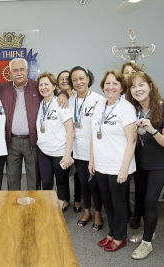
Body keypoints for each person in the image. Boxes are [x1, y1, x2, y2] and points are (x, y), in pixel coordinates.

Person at [0, 58, 68, 190]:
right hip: (12, 141)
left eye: (22, 69)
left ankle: (33, 205)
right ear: (10, 73)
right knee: (12, 178)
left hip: (32, 141)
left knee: (34, 176)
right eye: (15, 70)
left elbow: (53, 90)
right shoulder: (3, 89)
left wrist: (63, 94)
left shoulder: (37, 86)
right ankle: (13, 206)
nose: (19, 73)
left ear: (27, 71)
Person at [125, 72, 164, 260]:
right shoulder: (134, 109)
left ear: (150, 86)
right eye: (133, 86)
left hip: (159, 164)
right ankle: (149, 231)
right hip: (140, 163)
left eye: (141, 85)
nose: (137, 89)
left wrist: (152, 130)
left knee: (150, 201)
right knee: (141, 199)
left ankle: (147, 243)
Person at [89, 70, 137, 252]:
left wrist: (124, 168)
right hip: (101, 164)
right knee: (107, 201)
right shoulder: (100, 105)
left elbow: (132, 140)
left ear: (122, 88)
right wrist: (91, 160)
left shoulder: (126, 108)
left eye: (115, 83)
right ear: (103, 86)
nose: (111, 87)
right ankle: (112, 232)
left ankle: (120, 237)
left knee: (118, 202)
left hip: (119, 165)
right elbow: (94, 134)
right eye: (108, 83)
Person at [68, 66, 105, 230]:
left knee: (94, 184)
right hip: (78, 150)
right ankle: (87, 211)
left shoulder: (99, 100)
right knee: (83, 183)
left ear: (88, 79)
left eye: (81, 78)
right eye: (74, 79)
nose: (78, 82)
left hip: (94, 151)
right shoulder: (70, 100)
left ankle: (98, 214)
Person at [36, 72, 74, 209]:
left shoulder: (60, 103)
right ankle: (48, 204)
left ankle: (63, 202)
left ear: (53, 86)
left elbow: (70, 129)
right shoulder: (40, 104)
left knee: (61, 182)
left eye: (47, 84)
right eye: (41, 85)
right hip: (44, 151)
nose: (43, 87)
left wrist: (67, 153)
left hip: (60, 151)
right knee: (46, 182)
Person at [121, 61, 143, 223]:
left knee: (140, 183)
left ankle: (137, 214)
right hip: (124, 144)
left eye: (132, 71)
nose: (129, 74)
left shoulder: (141, 94)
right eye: (126, 72)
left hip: (142, 144)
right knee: (125, 180)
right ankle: (125, 209)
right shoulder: (118, 95)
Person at [57, 69, 82, 213]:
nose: (64, 80)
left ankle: (77, 199)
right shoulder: (58, 98)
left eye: (67, 78)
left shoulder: (76, 97)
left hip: (79, 141)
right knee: (63, 173)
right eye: (61, 78)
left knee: (78, 174)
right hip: (64, 142)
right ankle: (65, 199)